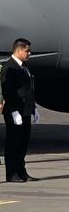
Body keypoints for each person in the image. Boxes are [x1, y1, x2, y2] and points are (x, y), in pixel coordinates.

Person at [1, 38, 38, 182]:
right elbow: (8, 91)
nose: (29, 53)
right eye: (27, 51)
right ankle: (12, 173)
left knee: (23, 142)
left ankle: (22, 171)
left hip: (26, 110)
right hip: (15, 111)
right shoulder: (9, 68)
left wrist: (34, 108)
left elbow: (28, 90)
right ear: (18, 51)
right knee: (13, 142)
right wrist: (13, 111)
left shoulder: (24, 67)